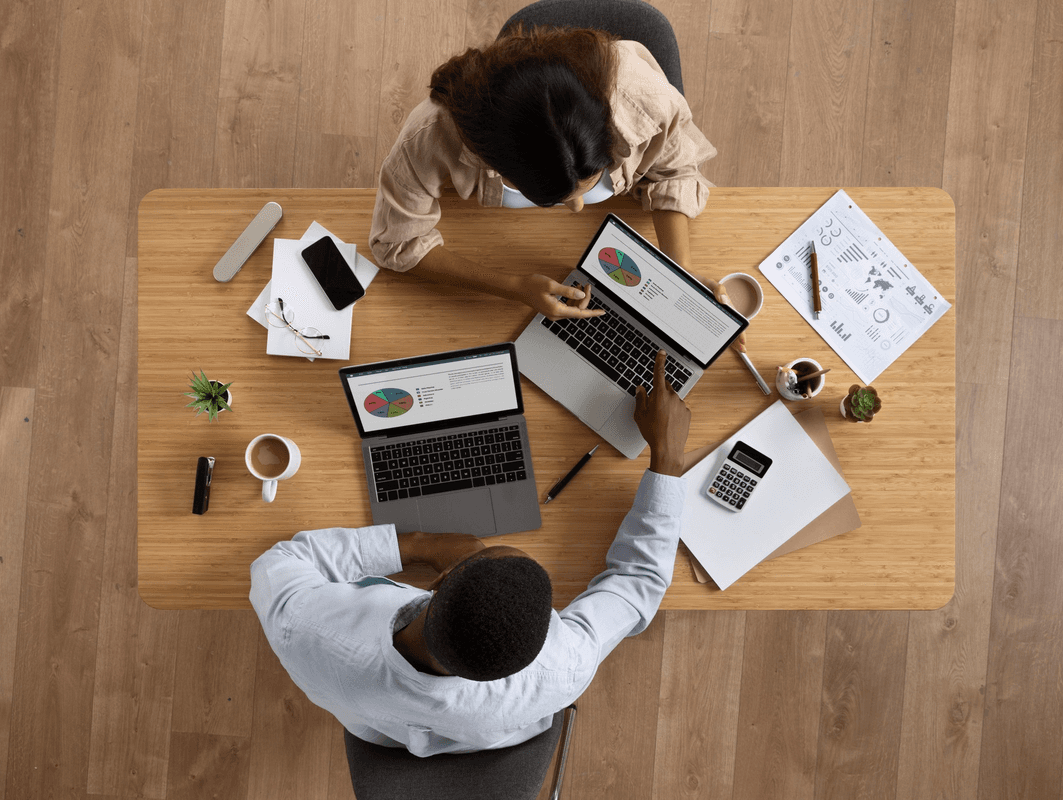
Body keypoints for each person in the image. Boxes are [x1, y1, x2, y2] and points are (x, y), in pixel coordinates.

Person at [250, 350, 691, 755]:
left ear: (437, 581)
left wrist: (421, 544)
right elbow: (638, 582)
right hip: (475, 729)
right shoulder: (561, 668)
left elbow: (277, 564)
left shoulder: (310, 631)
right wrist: (668, 458)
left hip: (370, 713)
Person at [367, 25, 746, 351]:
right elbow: (397, 242)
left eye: (588, 184)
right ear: (491, 162)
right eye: (551, 199)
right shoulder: (430, 134)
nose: (581, 208)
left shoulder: (644, 97)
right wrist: (514, 287)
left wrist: (676, 274)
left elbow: (676, 171)